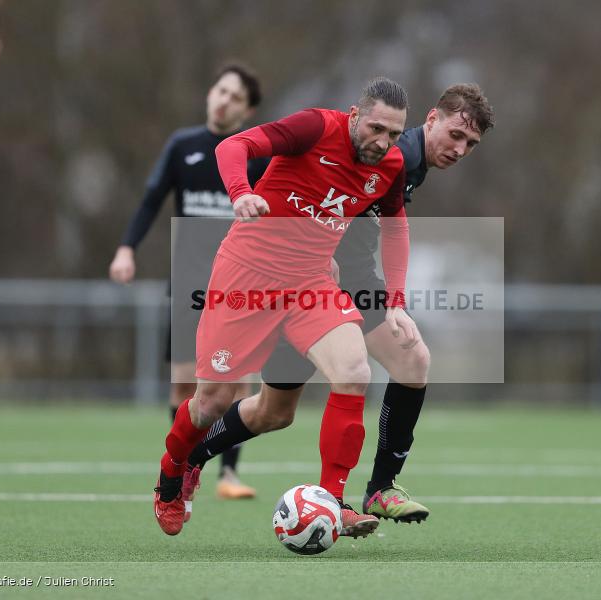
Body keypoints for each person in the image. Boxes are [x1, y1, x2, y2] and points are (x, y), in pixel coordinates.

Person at [176, 84, 495, 524]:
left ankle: (371, 490)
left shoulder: (408, 163)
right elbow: (308, 181)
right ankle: (193, 457)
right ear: (431, 119)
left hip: (340, 285)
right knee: (279, 408)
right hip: (319, 283)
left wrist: (392, 297)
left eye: (470, 144)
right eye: (455, 135)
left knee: (283, 410)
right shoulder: (394, 150)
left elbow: (372, 217)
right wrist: (306, 243)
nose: (460, 149)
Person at [153, 77, 417, 539]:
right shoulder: (315, 127)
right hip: (245, 277)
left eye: (394, 134)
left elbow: (395, 227)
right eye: (376, 129)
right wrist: (241, 192)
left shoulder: (390, 165)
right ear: (355, 116)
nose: (384, 142)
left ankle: (333, 502)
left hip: (310, 284)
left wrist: (395, 300)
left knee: (354, 371)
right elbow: (233, 146)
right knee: (210, 403)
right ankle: (173, 470)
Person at [109, 64, 267, 501]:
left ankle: (228, 474)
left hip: (239, 283)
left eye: (236, 97)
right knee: (183, 385)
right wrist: (126, 249)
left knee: (237, 384)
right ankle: (181, 466)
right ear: (210, 93)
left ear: (248, 110)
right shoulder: (183, 145)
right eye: (221, 90)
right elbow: (150, 200)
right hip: (188, 281)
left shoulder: (257, 155)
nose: (224, 101)